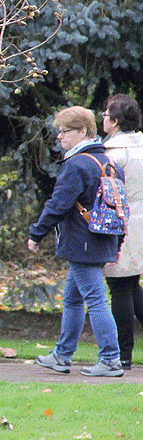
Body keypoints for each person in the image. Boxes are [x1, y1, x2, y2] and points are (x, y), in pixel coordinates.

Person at [29, 106, 125, 377]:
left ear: (82, 131)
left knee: (96, 300)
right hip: (101, 239)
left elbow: (58, 204)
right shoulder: (108, 163)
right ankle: (62, 356)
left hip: (83, 243)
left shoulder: (76, 164)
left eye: (64, 131)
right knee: (72, 299)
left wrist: (36, 233)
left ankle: (110, 359)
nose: (59, 137)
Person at [102, 94, 143, 371]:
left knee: (119, 286)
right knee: (131, 285)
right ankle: (125, 352)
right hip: (140, 220)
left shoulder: (113, 153)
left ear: (114, 121)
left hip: (121, 221)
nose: (102, 117)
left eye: (106, 114)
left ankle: (123, 353)